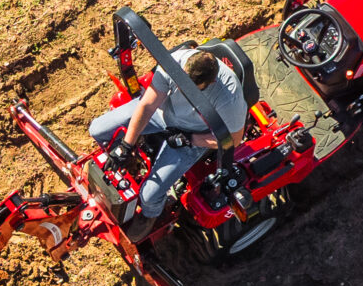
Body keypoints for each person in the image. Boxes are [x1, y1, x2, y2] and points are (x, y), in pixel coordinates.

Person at [86, 48, 248, 223]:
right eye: (181, 82)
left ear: (212, 82)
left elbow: (234, 139)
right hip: (161, 112)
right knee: (98, 129)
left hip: (192, 135)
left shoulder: (229, 97)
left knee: (149, 196)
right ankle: (126, 159)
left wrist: (190, 138)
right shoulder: (176, 61)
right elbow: (147, 106)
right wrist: (126, 145)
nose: (180, 89)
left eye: (191, 89)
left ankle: (153, 216)